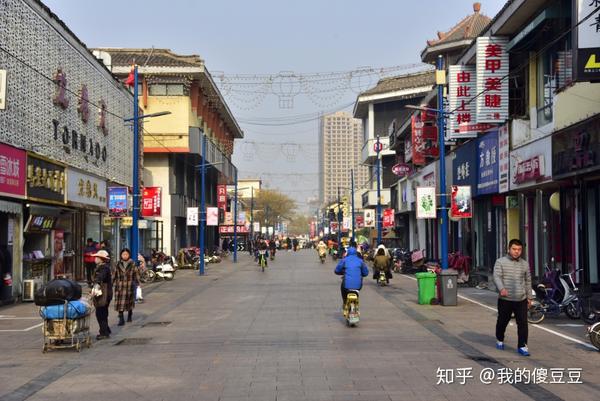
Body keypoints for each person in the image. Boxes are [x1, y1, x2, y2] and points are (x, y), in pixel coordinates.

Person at [493, 239, 533, 356]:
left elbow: (528, 281)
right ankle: (500, 339)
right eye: (514, 249)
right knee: (502, 321)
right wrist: (502, 289)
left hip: (521, 299)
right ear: (509, 249)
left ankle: (522, 346)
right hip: (505, 300)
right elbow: (496, 277)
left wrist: (529, 297)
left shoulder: (524, 264)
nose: (517, 252)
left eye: (519, 249)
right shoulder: (500, 262)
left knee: (523, 324)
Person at [113, 248, 141, 326]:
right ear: (121, 255)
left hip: (129, 285)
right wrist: (111, 283)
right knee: (120, 303)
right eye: (123, 254)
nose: (125, 256)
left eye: (126, 254)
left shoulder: (132, 263)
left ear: (129, 255)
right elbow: (114, 274)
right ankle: (121, 318)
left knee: (129, 302)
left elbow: (136, 273)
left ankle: (129, 314)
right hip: (120, 286)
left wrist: (138, 283)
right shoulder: (118, 264)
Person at [91, 250, 112, 340]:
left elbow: (100, 277)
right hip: (105, 293)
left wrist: (96, 283)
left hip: (104, 293)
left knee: (101, 313)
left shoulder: (104, 268)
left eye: (97, 257)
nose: (95, 259)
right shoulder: (102, 267)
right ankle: (106, 329)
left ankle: (104, 332)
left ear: (101, 259)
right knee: (103, 312)